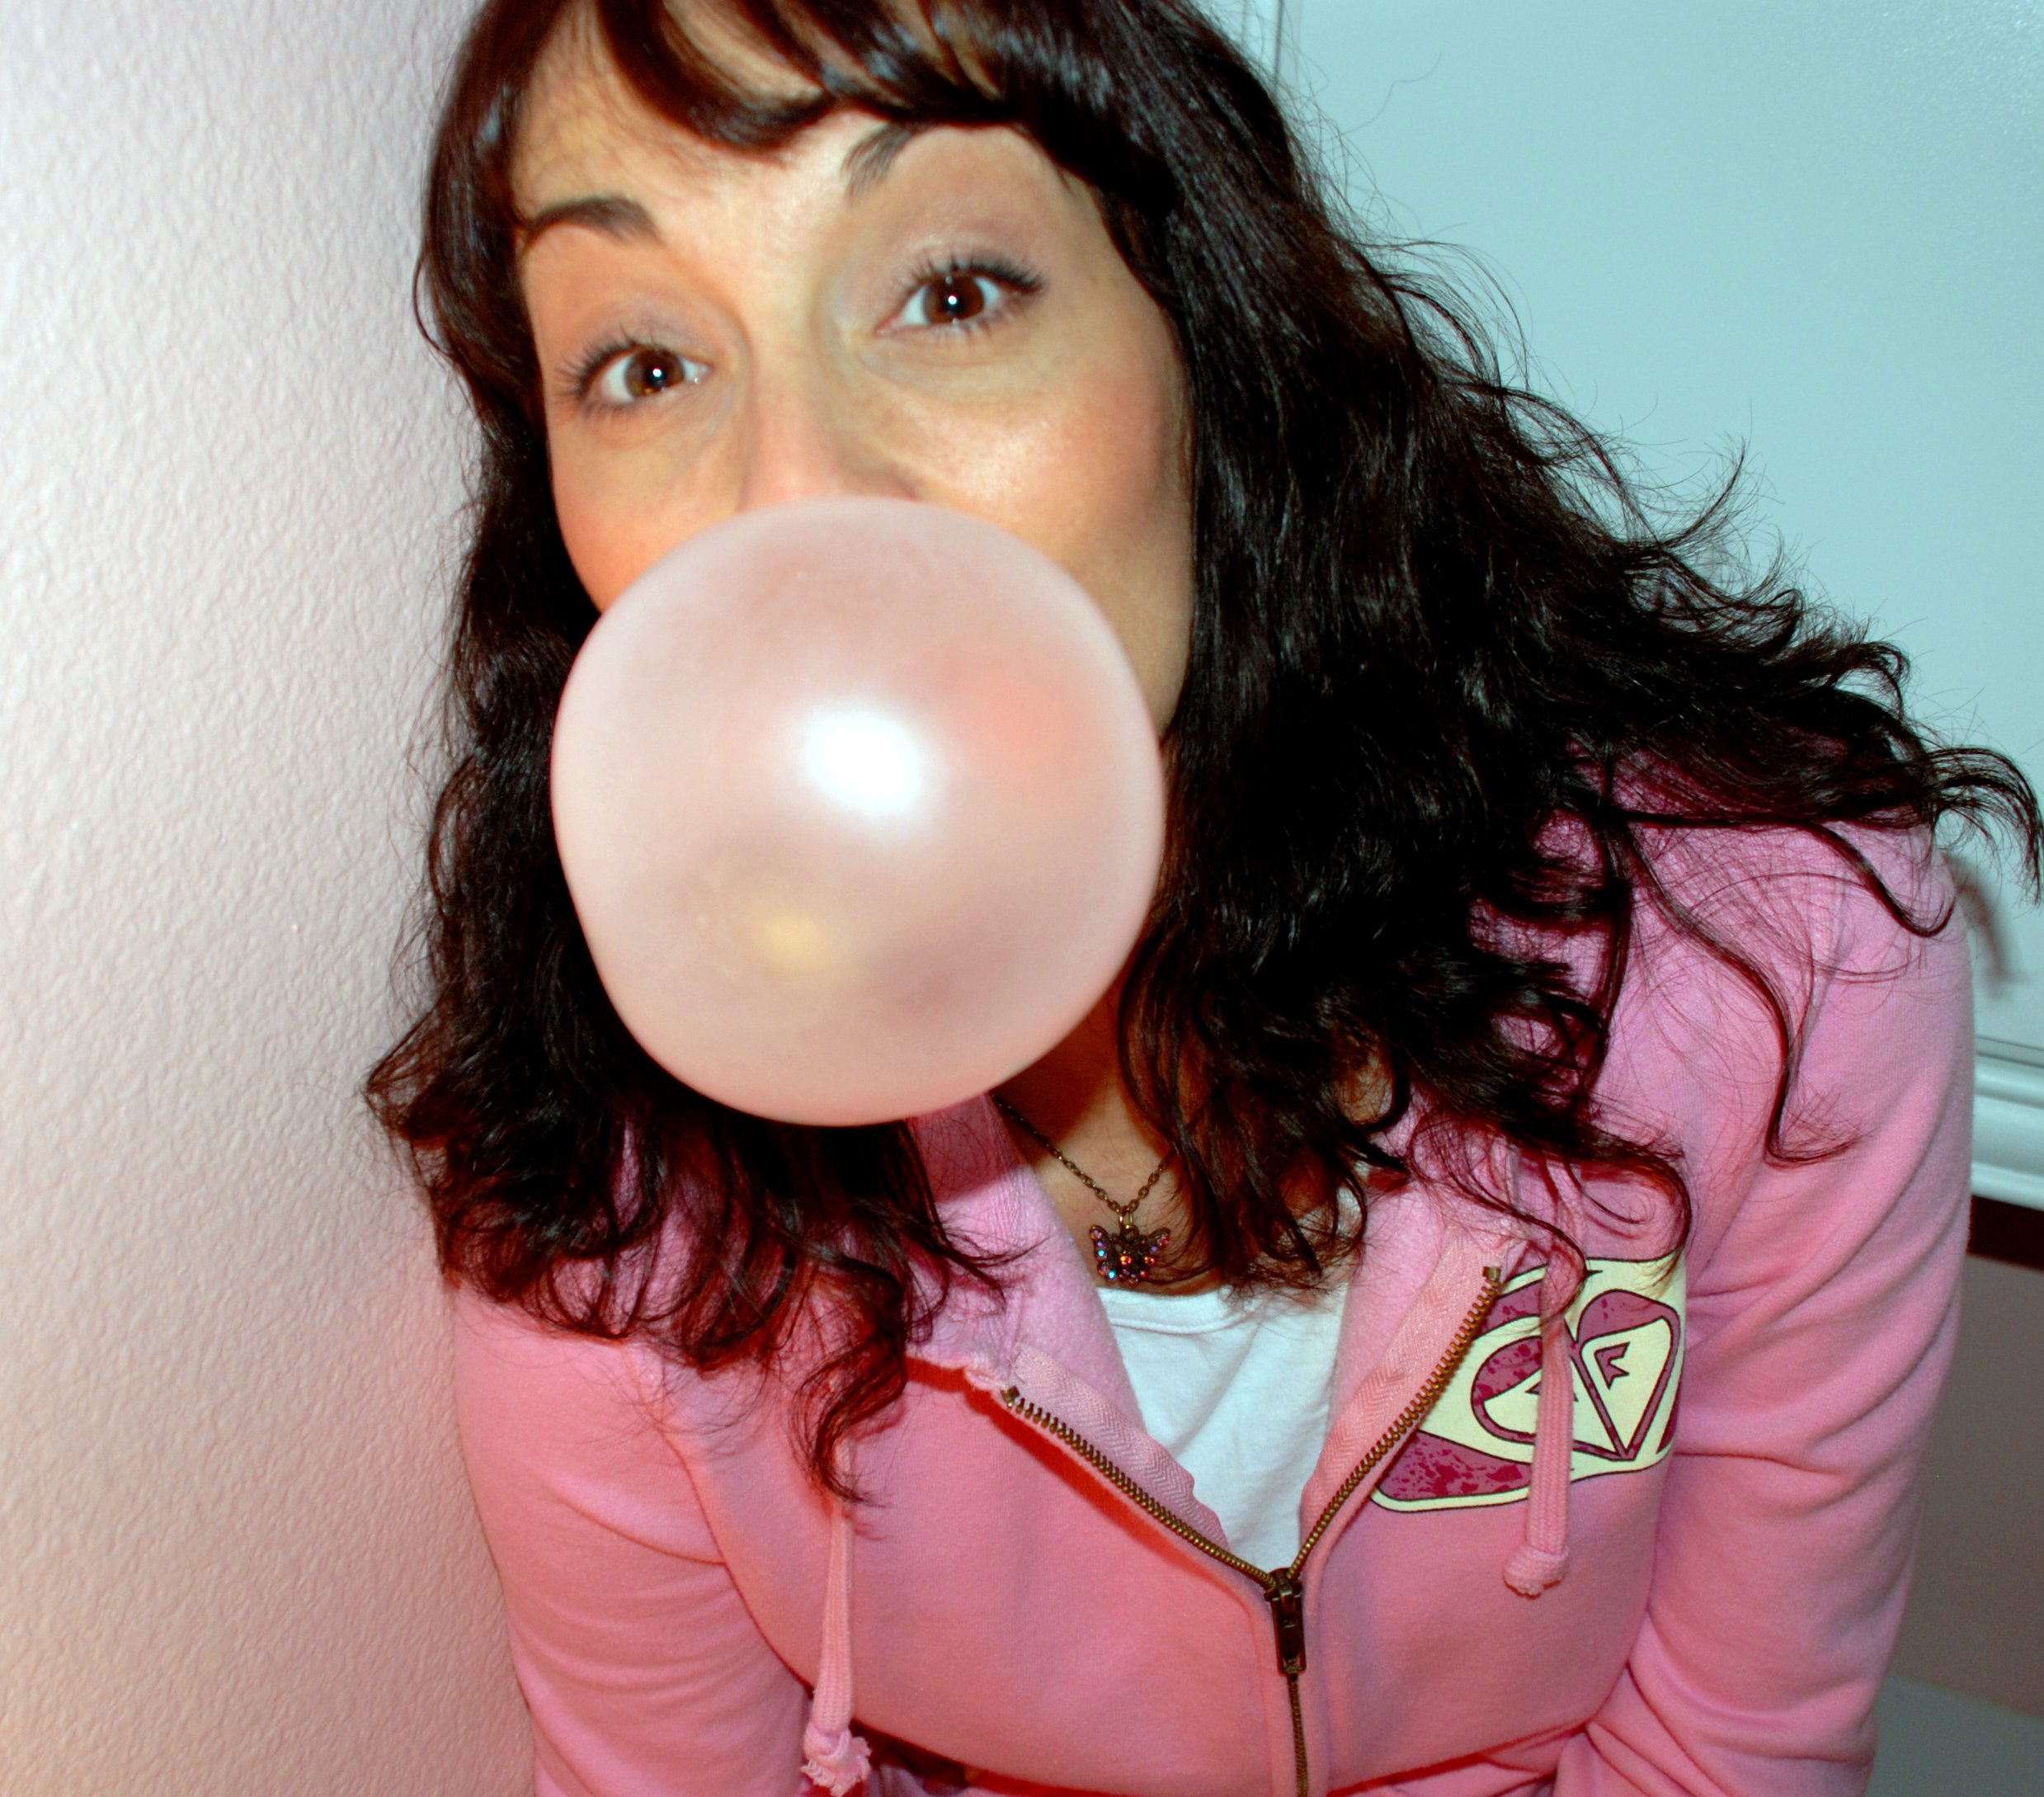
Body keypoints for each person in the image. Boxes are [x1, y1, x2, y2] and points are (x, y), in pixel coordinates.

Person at [368, 2, 2042, 1792]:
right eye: (643, 364)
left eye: (951, 291)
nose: (802, 504)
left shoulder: (1777, 958)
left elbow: (1738, 1747)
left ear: (1201, 335)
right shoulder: (615, 1201)